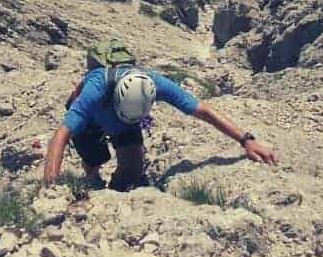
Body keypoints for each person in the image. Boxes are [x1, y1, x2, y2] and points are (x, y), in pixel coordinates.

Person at [42, 55, 278, 191]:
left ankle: (116, 192)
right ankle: (92, 178)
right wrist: (50, 189)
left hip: (125, 123)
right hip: (92, 122)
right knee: (96, 158)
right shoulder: (95, 90)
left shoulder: (154, 83)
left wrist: (246, 140)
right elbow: (60, 136)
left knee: (132, 169)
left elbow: (203, 110)